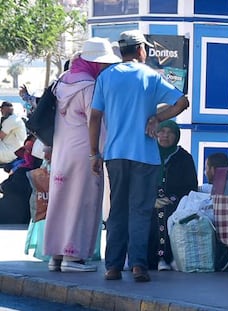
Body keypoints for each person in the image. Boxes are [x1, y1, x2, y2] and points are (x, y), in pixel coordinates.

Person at [88, 29, 189, 282]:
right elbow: (182, 102)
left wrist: (94, 153)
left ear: (122, 51)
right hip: (146, 156)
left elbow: (95, 117)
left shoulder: (106, 76)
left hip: (115, 154)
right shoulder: (151, 76)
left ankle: (112, 266)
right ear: (141, 50)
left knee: (118, 209)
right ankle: (138, 266)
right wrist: (157, 118)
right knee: (141, 211)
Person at [43, 37, 121, 273]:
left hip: (61, 151)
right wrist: (99, 152)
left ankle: (55, 256)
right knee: (83, 202)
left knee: (60, 202)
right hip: (85, 152)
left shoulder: (61, 82)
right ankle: (73, 258)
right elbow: (94, 122)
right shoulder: (89, 87)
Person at [148, 120, 197, 271]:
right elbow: (139, 181)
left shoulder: (184, 158)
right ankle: (151, 259)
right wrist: (151, 199)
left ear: (176, 136)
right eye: (162, 131)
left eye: (170, 133)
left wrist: (173, 199)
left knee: (169, 215)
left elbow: (191, 187)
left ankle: (169, 257)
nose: (165, 136)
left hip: (176, 202)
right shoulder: (148, 154)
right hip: (149, 201)